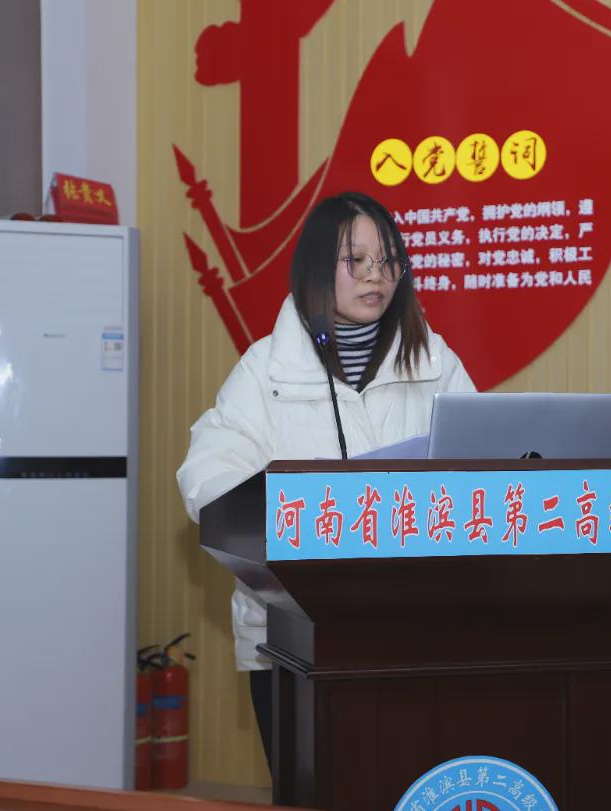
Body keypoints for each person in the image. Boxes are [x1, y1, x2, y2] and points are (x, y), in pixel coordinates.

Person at [175, 190, 475, 764]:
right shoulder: (266, 368)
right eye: (355, 260)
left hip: (418, 629)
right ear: (317, 267)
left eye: (387, 260)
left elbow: (481, 466)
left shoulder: (435, 361)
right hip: (293, 635)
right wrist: (287, 522)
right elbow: (209, 473)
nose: (375, 275)